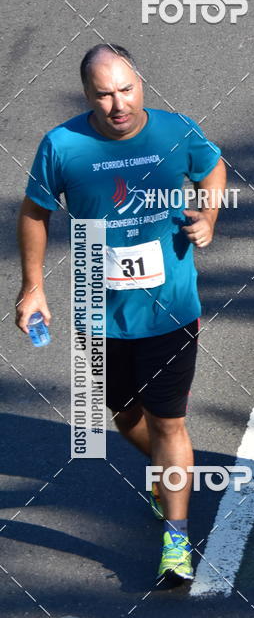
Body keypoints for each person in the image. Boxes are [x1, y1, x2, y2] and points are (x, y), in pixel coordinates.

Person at [15, 43, 226, 584]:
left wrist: (207, 214)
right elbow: (35, 213)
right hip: (95, 309)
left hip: (170, 310)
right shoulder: (62, 145)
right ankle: (166, 472)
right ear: (87, 95)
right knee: (123, 415)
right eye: (104, 94)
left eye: (126, 89)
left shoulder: (174, 131)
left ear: (140, 84)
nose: (118, 104)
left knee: (168, 420)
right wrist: (32, 287)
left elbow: (212, 166)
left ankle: (176, 542)